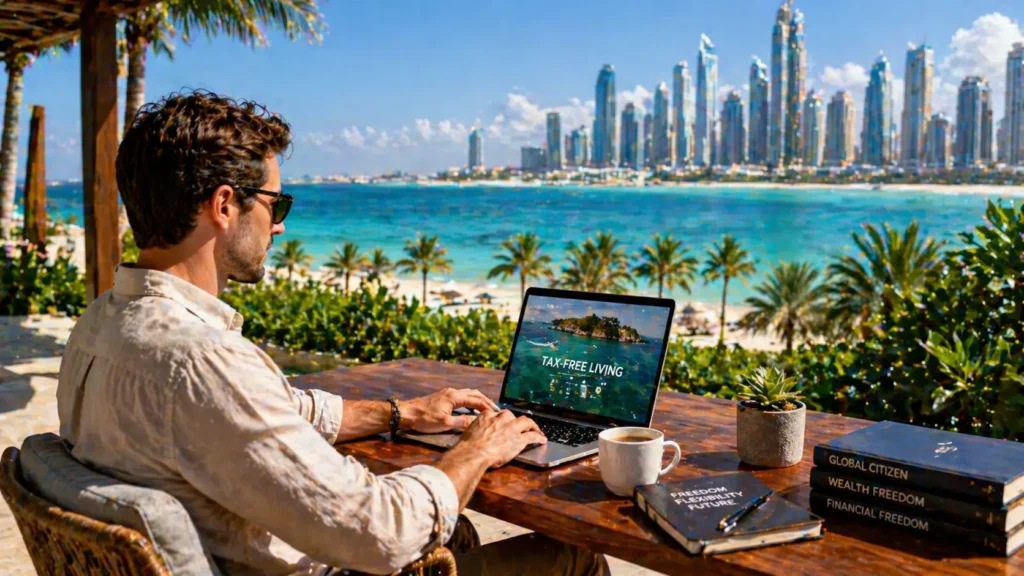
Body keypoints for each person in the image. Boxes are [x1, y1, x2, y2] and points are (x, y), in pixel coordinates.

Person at [55, 90, 609, 576]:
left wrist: (400, 413)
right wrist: (474, 451)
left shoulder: (101, 326)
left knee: (456, 533)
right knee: (572, 557)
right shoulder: (204, 362)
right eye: (276, 203)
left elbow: (263, 413)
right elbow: (381, 533)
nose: (281, 224)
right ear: (224, 205)